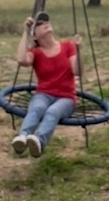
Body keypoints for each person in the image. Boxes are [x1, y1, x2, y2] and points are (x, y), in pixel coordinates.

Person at [12, 11, 80, 158]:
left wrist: (79, 49)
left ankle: (39, 141)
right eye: (40, 24)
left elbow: (77, 71)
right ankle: (23, 137)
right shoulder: (36, 53)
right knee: (37, 107)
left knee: (53, 111)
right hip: (43, 94)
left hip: (66, 98)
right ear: (35, 35)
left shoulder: (68, 46)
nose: (45, 24)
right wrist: (26, 32)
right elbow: (21, 60)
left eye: (46, 21)